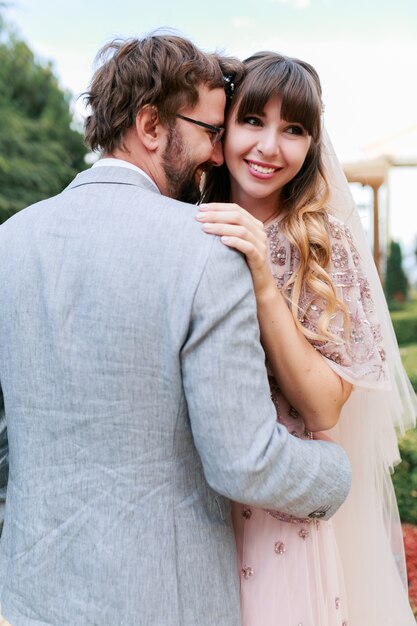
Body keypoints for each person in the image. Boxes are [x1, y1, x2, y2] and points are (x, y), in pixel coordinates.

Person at [0, 36, 352, 626]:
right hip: (167, 603)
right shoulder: (208, 248)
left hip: (30, 599)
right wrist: (335, 475)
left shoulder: (10, 242)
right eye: (211, 132)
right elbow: (244, 462)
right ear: (150, 126)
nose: (217, 156)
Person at [199, 51, 417, 625]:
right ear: (222, 127)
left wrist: (266, 280)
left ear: (312, 144)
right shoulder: (184, 221)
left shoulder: (322, 245)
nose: (270, 147)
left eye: (293, 130)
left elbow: (323, 405)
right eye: (253, 121)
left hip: (279, 522)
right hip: (192, 512)